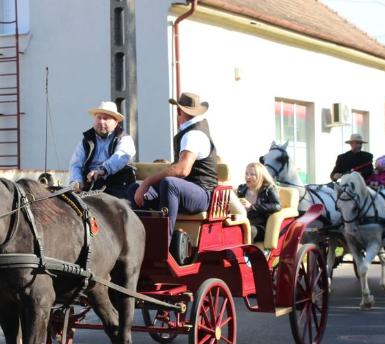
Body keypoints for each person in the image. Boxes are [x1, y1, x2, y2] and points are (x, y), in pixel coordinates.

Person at [127, 92, 218, 241]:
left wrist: (148, 181)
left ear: (179, 111)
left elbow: (182, 170)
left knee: (171, 184)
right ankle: (141, 240)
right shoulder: (192, 131)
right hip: (188, 191)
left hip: (202, 193)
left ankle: (163, 243)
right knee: (134, 190)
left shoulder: (194, 135)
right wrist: (143, 186)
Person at [68, 101, 136, 198]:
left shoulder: (124, 139)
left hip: (118, 187)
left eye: (106, 118)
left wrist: (103, 170)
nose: (101, 122)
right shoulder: (86, 141)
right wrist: (77, 181)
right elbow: (75, 165)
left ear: (116, 122)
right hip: (91, 187)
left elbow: (121, 157)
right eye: (98, 118)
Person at [236, 162, 281, 242]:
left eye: (252, 174)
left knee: (248, 231)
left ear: (260, 176)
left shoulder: (269, 189)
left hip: (260, 226)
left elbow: (277, 206)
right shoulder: (241, 189)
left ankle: (246, 253)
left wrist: (252, 206)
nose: (248, 176)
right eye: (246, 173)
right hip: (243, 222)